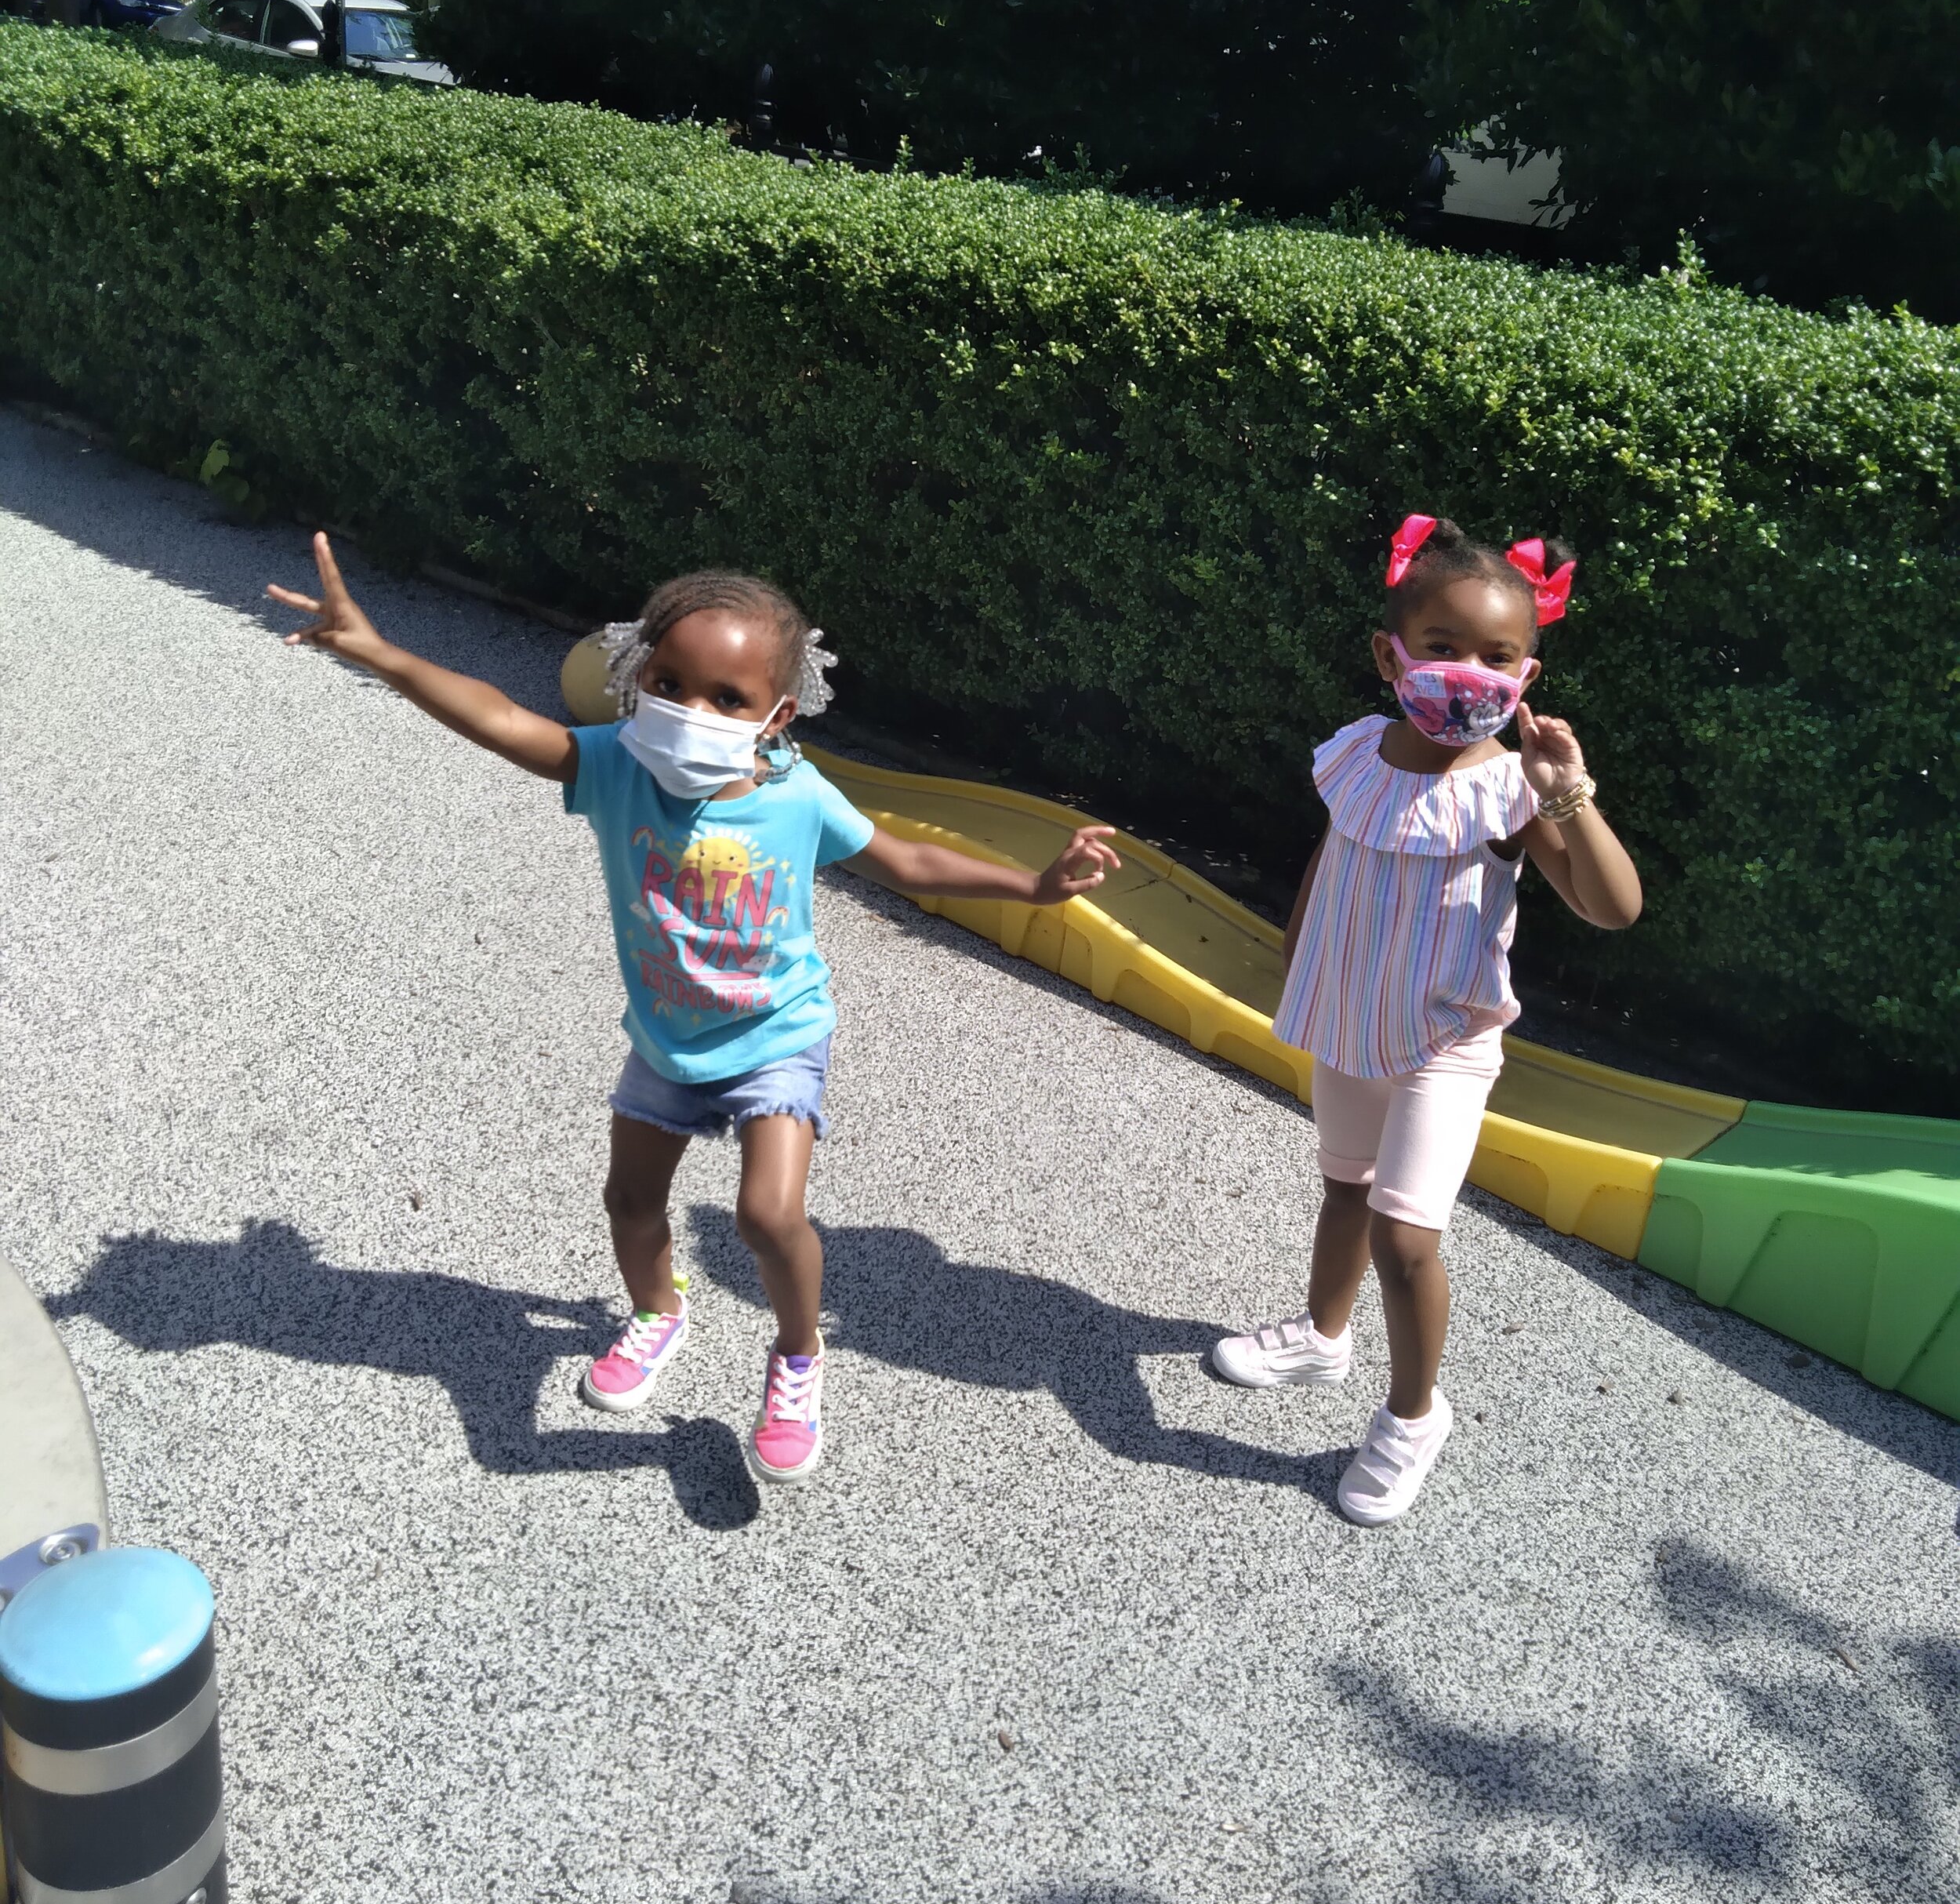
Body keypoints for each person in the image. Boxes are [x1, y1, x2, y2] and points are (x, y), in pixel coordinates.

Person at [268, 541, 1120, 1485]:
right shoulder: (614, 768)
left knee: (766, 1214)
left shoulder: (797, 796)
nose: (688, 711)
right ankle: (656, 1312)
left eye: (726, 699)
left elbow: (910, 863)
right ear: (637, 678)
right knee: (630, 1202)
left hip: (775, 1036)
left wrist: (1036, 889)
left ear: (776, 715)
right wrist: (383, 654)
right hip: (668, 1042)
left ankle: (797, 1357)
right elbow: (502, 719)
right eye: (667, 683)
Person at [1211, 514, 1642, 1527]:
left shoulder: (1512, 790)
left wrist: (1570, 795)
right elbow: (1337, 852)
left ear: (1527, 677)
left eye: (1499, 657)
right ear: (1389, 655)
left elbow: (1615, 906)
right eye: (1443, 649)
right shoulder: (1359, 754)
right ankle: (1323, 1338)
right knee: (1344, 1191)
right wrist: (1299, 948)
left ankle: (1412, 1416)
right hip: (1352, 1011)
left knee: (1407, 1238)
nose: (1468, 674)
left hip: (1448, 1041)